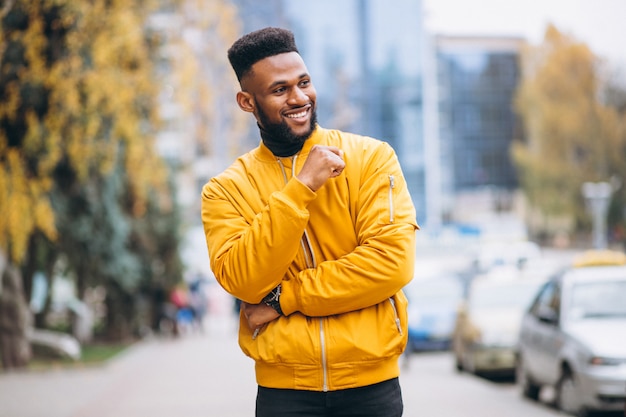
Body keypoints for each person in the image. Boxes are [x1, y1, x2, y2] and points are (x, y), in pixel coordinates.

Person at [201, 27, 418, 417]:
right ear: (247, 102)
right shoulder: (225, 190)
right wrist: (301, 188)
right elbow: (245, 280)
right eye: (280, 90)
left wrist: (286, 299)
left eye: (304, 82)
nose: (299, 98)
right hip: (284, 392)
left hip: (372, 385)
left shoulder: (371, 158)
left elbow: (391, 264)